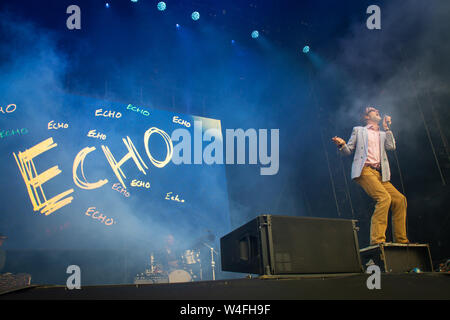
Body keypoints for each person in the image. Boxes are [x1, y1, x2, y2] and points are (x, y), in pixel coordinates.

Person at [332, 106, 409, 245]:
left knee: (399, 199)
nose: (377, 111)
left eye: (377, 110)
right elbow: (348, 151)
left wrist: (387, 128)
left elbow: (391, 147)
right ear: (366, 117)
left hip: (380, 174)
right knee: (384, 198)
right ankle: (377, 240)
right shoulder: (359, 130)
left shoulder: (382, 133)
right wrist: (342, 145)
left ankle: (402, 240)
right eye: (373, 110)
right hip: (364, 170)